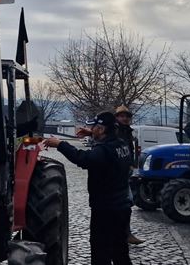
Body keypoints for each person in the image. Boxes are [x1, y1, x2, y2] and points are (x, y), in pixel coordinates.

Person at [45, 112, 133, 265]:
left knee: (100, 253)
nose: (91, 128)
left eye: (94, 127)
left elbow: (83, 159)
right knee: (120, 251)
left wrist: (60, 144)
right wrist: (92, 133)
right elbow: (118, 134)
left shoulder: (105, 151)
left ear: (102, 129)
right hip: (122, 206)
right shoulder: (122, 144)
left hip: (106, 209)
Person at [114, 105, 144, 245]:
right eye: (122, 116)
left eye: (127, 116)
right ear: (117, 117)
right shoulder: (115, 131)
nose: (125, 118)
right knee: (125, 203)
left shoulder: (127, 132)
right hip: (117, 174)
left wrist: (132, 165)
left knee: (126, 204)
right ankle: (124, 233)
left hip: (126, 171)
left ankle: (124, 232)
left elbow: (129, 151)